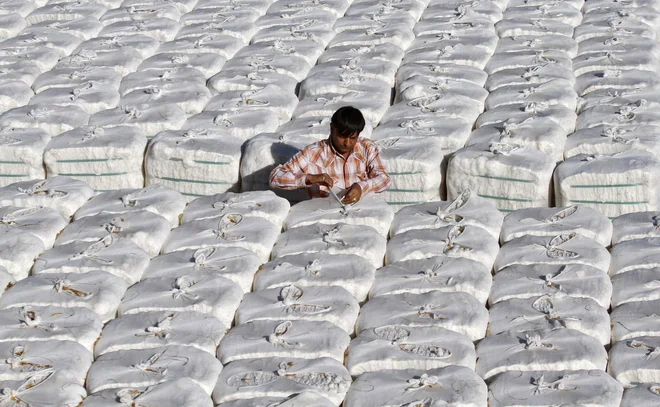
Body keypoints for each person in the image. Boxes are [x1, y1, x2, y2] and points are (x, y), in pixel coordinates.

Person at [269, 106, 391, 204]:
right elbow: (275, 178)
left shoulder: (366, 148)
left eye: (353, 138)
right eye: (342, 136)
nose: (347, 143)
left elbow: (384, 179)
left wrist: (361, 187)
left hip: (359, 214)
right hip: (325, 216)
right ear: (332, 129)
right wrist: (309, 178)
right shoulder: (313, 154)